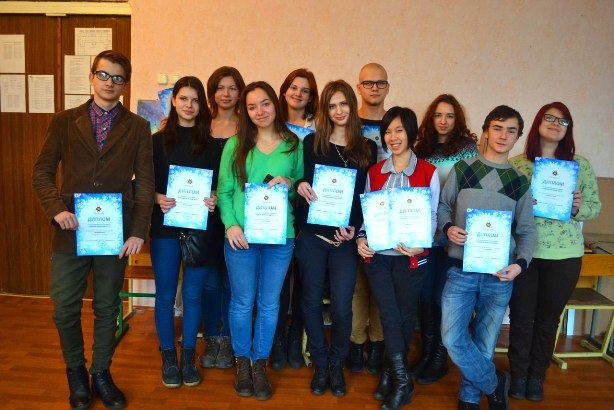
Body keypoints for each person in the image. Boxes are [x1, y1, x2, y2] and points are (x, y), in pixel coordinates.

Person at [32, 50, 154, 410]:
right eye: (103, 75)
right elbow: (41, 173)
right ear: (91, 77)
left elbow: (145, 184)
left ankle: (101, 371)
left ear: (125, 85)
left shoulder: (138, 127)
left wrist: (138, 231)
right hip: (70, 230)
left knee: (106, 306)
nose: (109, 83)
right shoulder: (63, 121)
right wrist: (57, 210)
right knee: (64, 307)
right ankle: (76, 372)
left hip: (114, 234)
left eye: (118, 78)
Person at [438, 105, 537, 410]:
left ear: (518, 137)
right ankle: (495, 383)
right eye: (497, 128)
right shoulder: (463, 169)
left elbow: (527, 231)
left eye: (511, 131)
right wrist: (448, 227)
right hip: (460, 270)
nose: (503, 135)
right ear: (485, 131)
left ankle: (469, 398)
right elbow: (443, 207)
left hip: (499, 275)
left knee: (485, 342)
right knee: (451, 338)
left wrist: (520, 264)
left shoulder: (520, 182)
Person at [507, 102, 601, 402]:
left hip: (564, 256)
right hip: (525, 255)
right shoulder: (517, 165)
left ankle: (536, 376)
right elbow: (504, 208)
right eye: (549, 118)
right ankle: (517, 376)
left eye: (563, 121)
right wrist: (521, 206)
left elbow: (594, 207)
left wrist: (576, 208)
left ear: (568, 129)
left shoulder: (580, 165)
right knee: (521, 318)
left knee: (548, 321)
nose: (555, 124)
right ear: (538, 123)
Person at [217, 81, 303, 401]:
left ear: (275, 105)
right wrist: (230, 225)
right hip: (241, 238)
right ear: (245, 111)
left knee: (269, 303)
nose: (259, 111)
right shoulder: (235, 144)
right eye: (252, 106)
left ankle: (260, 363)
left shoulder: (293, 144)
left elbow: (301, 188)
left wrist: (290, 182)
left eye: (265, 104)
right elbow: (224, 191)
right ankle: (243, 361)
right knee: (242, 302)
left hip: (280, 237)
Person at [296, 80, 377, 397]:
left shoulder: (367, 148)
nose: (339, 111)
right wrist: (301, 185)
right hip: (313, 238)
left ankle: (337, 365)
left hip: (345, 242)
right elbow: (304, 184)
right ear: (324, 110)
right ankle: (321, 363)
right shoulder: (312, 143)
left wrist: (355, 228)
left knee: (343, 308)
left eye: (343, 104)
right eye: (332, 106)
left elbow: (365, 198)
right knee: (311, 303)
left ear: (352, 106)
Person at [357, 106, 440, 409]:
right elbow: (367, 216)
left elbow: (433, 218)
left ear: (411, 133)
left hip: (411, 259)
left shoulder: (428, 172)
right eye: (387, 132)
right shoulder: (374, 172)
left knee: (404, 317)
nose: (392, 137)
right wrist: (361, 238)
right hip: (379, 258)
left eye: (399, 130)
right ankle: (403, 383)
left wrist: (423, 244)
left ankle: (390, 374)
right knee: (390, 315)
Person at [150, 76, 222, 389]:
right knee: (166, 295)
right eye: (183, 98)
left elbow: (220, 186)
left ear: (201, 104)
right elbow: (143, 183)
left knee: (193, 295)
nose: (189, 105)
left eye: (194, 100)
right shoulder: (156, 141)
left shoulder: (212, 144)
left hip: (199, 229)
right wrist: (157, 197)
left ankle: (189, 358)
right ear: (173, 100)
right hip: (165, 228)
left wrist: (214, 198)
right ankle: (169, 358)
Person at [410, 94, 478, 385]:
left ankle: (440, 358)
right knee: (425, 295)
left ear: (457, 119)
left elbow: (470, 193)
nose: (443, 121)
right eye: (438, 115)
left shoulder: (468, 150)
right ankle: (427, 354)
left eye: (450, 115)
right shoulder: (421, 149)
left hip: (453, 236)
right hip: (426, 234)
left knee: (442, 297)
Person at [270, 68, 319, 370]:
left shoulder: (319, 128)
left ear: (311, 97)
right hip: (275, 212)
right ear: (284, 89)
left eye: (305, 90)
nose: (298, 94)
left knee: (303, 282)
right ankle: (277, 340)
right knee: (278, 282)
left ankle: (294, 341)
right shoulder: (271, 122)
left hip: (309, 212)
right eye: (293, 87)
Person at [199, 66, 245, 370]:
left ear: (240, 92)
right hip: (202, 215)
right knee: (209, 280)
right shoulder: (200, 124)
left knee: (232, 281)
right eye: (220, 87)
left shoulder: (248, 127)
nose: (226, 94)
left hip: (234, 215)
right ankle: (210, 339)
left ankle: (228, 338)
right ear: (211, 92)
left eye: (232, 88)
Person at [347, 62, 390, 374]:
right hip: (353, 213)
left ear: (388, 87)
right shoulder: (349, 123)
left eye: (380, 83)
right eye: (368, 83)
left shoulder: (395, 122)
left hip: (389, 216)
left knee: (382, 285)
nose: (374, 88)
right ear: (358, 87)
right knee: (357, 285)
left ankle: (377, 344)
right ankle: (355, 342)